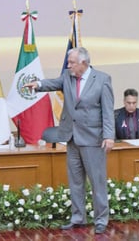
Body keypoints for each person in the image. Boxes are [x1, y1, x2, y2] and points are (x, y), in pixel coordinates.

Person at [24, 47, 114, 234]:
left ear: (84, 63)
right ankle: (78, 217)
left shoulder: (103, 80)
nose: (69, 65)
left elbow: (108, 111)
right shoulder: (67, 76)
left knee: (97, 181)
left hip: (92, 139)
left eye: (72, 62)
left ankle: (101, 219)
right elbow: (53, 83)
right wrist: (38, 84)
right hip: (71, 136)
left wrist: (108, 135)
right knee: (75, 181)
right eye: (69, 62)